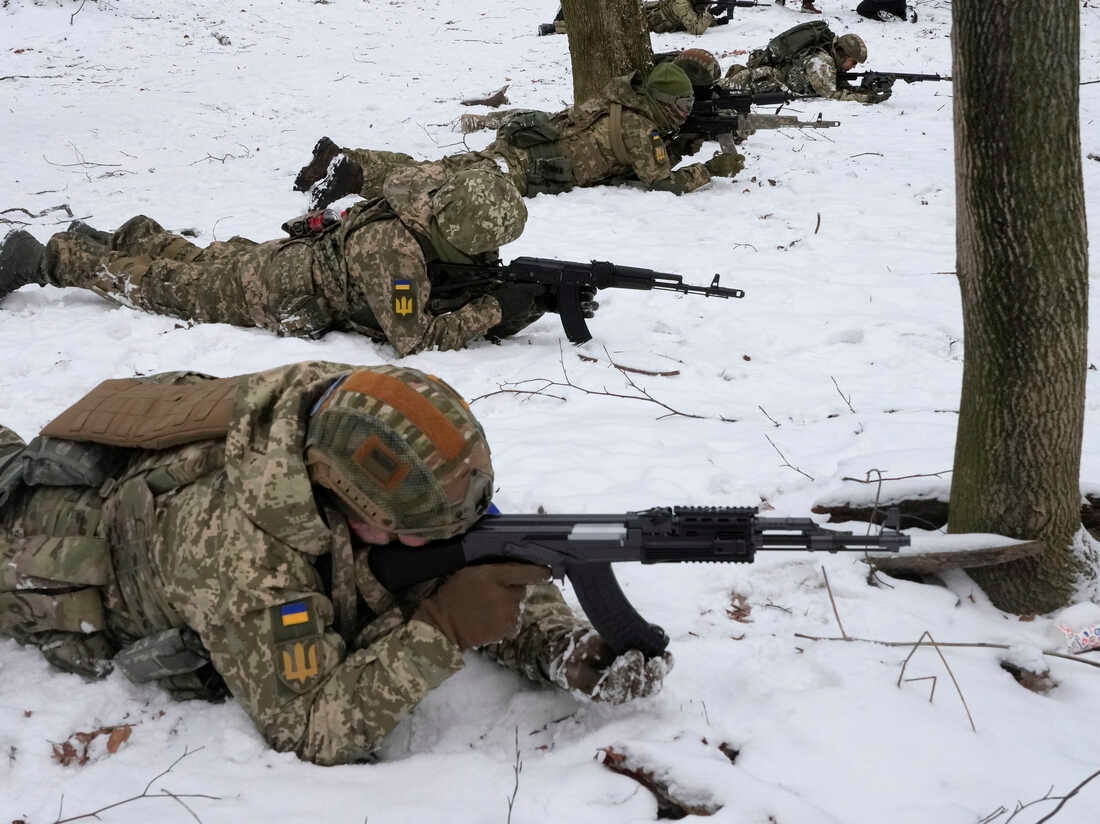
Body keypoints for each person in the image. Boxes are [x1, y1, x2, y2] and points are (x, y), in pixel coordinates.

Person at [0, 361, 672, 765]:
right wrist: (438, 630)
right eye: (410, 532)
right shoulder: (236, 547)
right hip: (40, 549)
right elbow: (309, 730)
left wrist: (562, 645)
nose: (429, 544)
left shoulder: (361, 423)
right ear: (344, 498)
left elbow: (471, 549)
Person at [0, 166, 559, 358]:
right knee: (168, 287)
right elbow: (414, 341)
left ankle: (124, 236)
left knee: (204, 259)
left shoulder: (430, 195)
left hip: (296, 258)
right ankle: (52, 259)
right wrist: (489, 311)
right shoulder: (394, 251)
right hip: (273, 288)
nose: (488, 258)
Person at [296, 62, 745, 210]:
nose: (685, 113)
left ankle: (347, 158)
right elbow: (661, 182)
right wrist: (709, 169)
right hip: (529, 168)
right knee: (440, 179)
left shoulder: (623, 101)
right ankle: (354, 175)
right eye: (680, 107)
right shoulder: (640, 126)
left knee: (449, 168)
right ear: (664, 103)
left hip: (528, 148)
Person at [720, 23, 890, 104]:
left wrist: (859, 88)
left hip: (770, 78)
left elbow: (835, 84)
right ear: (842, 53)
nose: (853, 66)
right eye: (853, 62)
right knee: (718, 90)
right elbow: (830, 94)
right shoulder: (821, 62)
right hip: (764, 80)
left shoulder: (826, 56)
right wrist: (865, 97)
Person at [541, 1, 719, 37]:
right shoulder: (682, 4)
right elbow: (695, 29)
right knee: (599, 26)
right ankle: (554, 27)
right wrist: (709, 15)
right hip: (640, 20)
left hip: (642, 14)